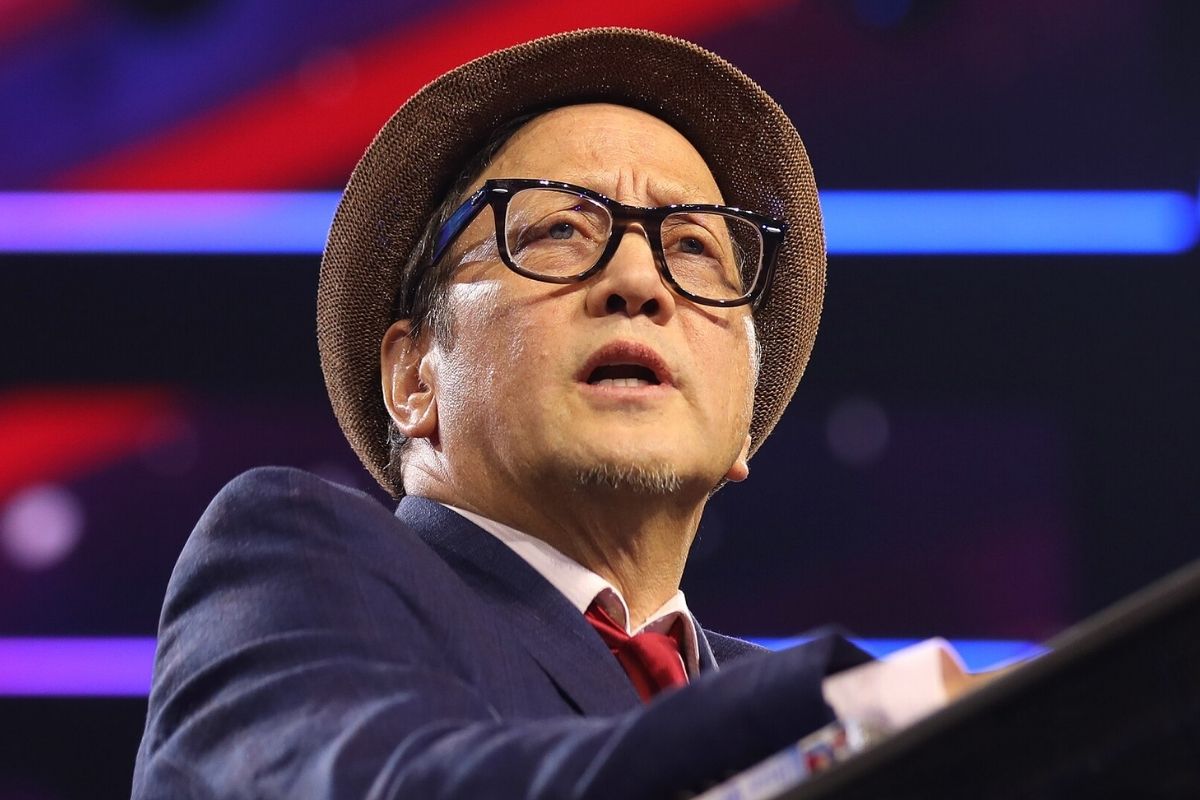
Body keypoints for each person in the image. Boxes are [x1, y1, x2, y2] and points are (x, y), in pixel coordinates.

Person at [132, 27, 985, 799]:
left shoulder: (811, 711)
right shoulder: (284, 558)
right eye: (557, 232)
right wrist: (848, 715)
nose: (640, 283)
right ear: (413, 377)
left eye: (693, 246)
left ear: (743, 417)